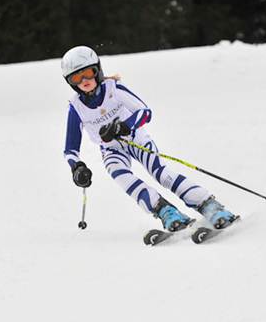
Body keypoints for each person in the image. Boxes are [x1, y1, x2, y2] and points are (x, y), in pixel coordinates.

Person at [61, 45, 237, 232]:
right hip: (111, 149)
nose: (84, 80)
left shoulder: (113, 88)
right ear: (71, 82)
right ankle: (166, 212)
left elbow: (145, 112)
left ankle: (210, 206)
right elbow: (70, 149)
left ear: (97, 71)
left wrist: (124, 126)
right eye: (77, 77)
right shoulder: (76, 107)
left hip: (135, 138)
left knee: (160, 172)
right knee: (121, 176)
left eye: (88, 72)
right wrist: (77, 167)